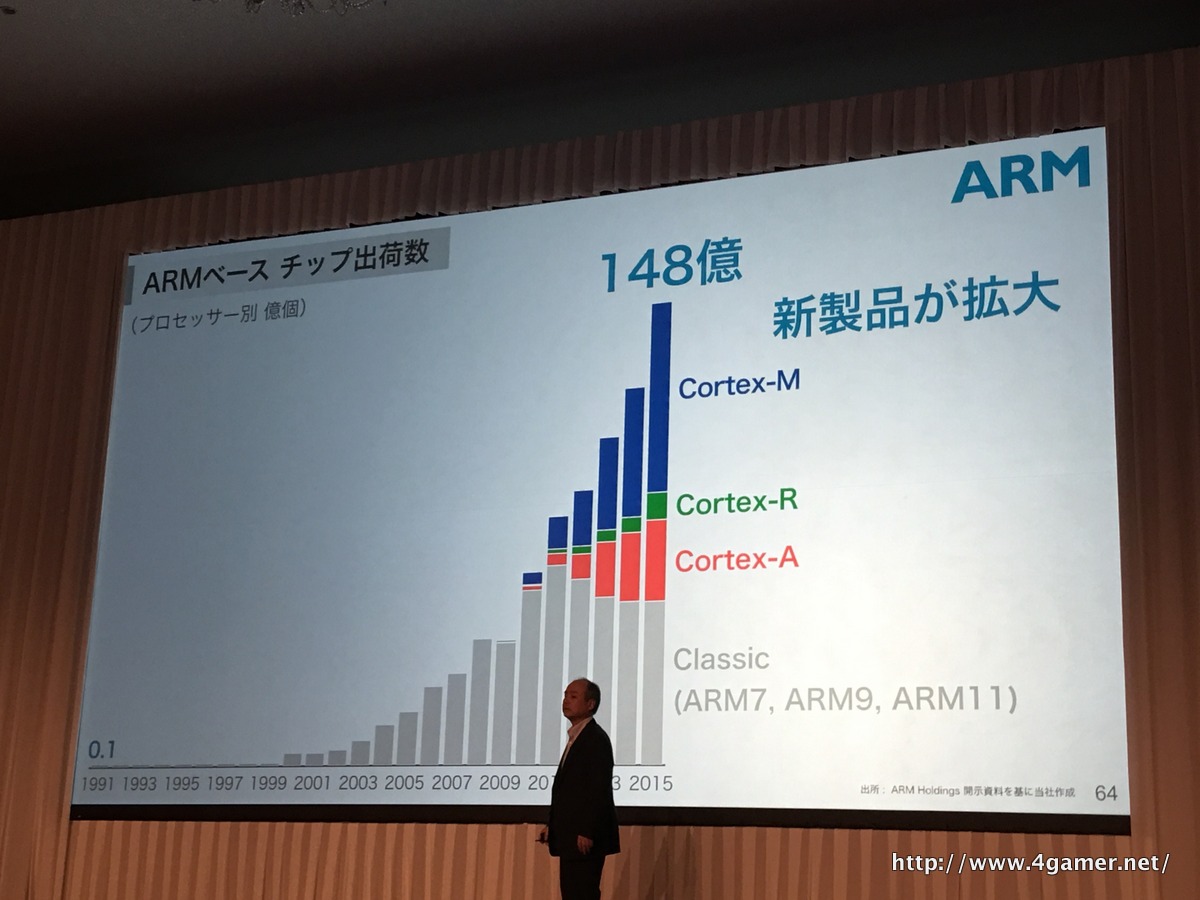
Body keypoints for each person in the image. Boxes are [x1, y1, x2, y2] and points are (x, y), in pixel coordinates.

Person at [537, 678, 620, 900]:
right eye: (565, 695)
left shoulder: (595, 739)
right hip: (570, 835)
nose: (566, 701)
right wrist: (552, 824)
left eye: (573, 696)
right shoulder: (577, 737)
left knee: (583, 893)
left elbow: (597, 788)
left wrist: (587, 830)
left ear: (590, 704)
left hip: (583, 839)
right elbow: (569, 791)